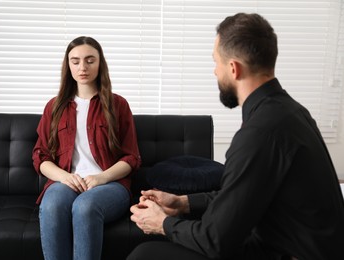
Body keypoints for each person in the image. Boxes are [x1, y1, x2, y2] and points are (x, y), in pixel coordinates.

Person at [129, 13, 344, 260]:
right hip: (292, 244)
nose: (214, 72)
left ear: (234, 68)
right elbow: (243, 194)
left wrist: (162, 223)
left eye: (215, 63)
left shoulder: (260, 132)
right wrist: (182, 202)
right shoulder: (290, 112)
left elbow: (215, 241)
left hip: (289, 253)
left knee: (145, 255)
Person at [32, 36, 141, 260]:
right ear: (68, 65)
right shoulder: (54, 107)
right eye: (75, 61)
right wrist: (64, 177)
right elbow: (40, 156)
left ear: (100, 63)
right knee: (52, 205)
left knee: (84, 207)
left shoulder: (118, 104)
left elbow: (131, 157)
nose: (82, 67)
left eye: (90, 60)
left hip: (110, 184)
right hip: (66, 181)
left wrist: (101, 178)